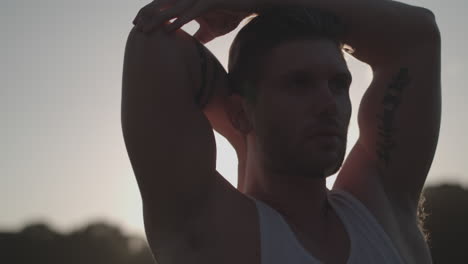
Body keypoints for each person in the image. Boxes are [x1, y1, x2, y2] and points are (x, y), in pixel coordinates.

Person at [122, 0, 440, 263]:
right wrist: (245, 132)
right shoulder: (212, 234)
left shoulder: (381, 211)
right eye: (299, 83)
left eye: (338, 84)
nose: (329, 104)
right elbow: (155, 39)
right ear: (240, 112)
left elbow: (419, 34)